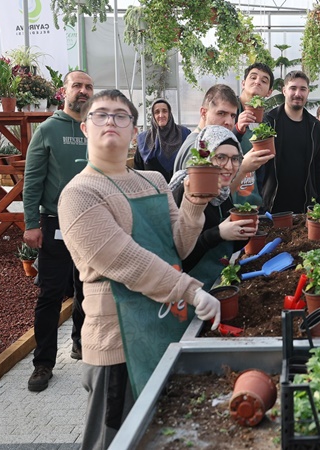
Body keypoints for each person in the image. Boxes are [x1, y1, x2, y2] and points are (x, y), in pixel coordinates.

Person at [58, 90, 221, 450]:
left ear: (135, 131)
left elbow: (176, 245)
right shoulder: (79, 193)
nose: (111, 122)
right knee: (114, 437)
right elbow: (127, 260)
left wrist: (194, 202)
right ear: (85, 128)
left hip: (166, 326)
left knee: (160, 434)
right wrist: (191, 291)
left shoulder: (154, 181)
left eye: (121, 116)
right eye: (101, 115)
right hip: (119, 341)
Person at [23, 70, 93, 392]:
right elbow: (33, 180)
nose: (83, 90)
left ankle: (80, 342)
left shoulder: (95, 128)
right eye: (77, 85)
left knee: (88, 289)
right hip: (55, 225)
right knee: (50, 294)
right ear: (64, 91)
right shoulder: (48, 131)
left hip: (92, 222)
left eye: (88, 86)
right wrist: (31, 224)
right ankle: (43, 363)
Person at [170, 126, 257, 287]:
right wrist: (218, 233)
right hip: (185, 293)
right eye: (221, 157)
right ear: (205, 158)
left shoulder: (222, 193)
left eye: (235, 158)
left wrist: (243, 231)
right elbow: (177, 259)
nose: (229, 166)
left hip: (213, 285)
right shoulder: (186, 193)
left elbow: (225, 246)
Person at [259, 70, 320, 213]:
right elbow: (259, 164)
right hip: (273, 204)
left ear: (308, 92)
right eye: (293, 88)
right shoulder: (270, 121)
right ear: (284, 91)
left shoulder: (315, 126)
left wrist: (319, 202)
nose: (298, 94)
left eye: (303, 89)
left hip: (304, 205)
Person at [231, 63, 277, 208]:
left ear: (269, 92)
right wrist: (236, 128)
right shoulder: (228, 111)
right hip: (229, 201)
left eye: (264, 81)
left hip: (255, 202)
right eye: (253, 77)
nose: (257, 82)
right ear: (243, 83)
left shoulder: (265, 122)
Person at [134, 98, 192, 182]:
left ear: (169, 113)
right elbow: (138, 170)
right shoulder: (144, 139)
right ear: (153, 116)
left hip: (179, 190)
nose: (161, 115)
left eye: (164, 111)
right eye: (157, 112)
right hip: (154, 192)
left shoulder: (184, 133)